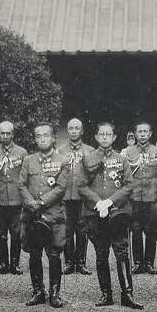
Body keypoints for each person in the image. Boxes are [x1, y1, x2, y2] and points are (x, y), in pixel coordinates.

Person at [80, 123, 143, 309]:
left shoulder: (121, 159)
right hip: (95, 213)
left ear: (114, 137)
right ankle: (106, 294)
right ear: (97, 137)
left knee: (122, 252)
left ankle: (127, 294)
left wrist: (110, 202)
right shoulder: (88, 159)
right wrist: (98, 202)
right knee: (101, 254)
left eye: (109, 134)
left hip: (117, 213)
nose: (105, 137)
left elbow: (128, 184)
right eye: (102, 134)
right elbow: (81, 185)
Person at [19, 123, 70, 308]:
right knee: (34, 254)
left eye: (46, 135)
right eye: (38, 136)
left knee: (54, 253)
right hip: (31, 215)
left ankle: (55, 293)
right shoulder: (28, 160)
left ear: (53, 138)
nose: (42, 139)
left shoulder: (63, 161)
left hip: (53, 215)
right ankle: (38, 292)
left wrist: (41, 202)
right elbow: (21, 185)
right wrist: (31, 203)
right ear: (35, 139)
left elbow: (61, 188)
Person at [0, 121, 27, 275]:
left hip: (17, 199)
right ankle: (3, 264)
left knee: (16, 233)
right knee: (1, 233)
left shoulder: (22, 153)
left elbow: (25, 177)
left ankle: (15, 264)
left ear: (12, 134)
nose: (5, 136)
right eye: (2, 133)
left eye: (7, 133)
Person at [122, 121, 157, 275]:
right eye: (140, 132)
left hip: (152, 198)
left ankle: (149, 263)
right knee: (136, 230)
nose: (143, 134)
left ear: (150, 134)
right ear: (136, 133)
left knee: (151, 231)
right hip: (134, 198)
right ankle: (138, 263)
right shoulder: (128, 152)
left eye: (146, 131)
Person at [60, 118, 95, 275]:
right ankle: (68, 262)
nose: (74, 131)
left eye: (77, 128)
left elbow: (93, 176)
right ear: (67, 131)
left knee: (82, 230)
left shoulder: (90, 151)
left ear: (81, 131)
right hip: (66, 196)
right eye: (71, 128)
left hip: (83, 198)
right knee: (67, 230)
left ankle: (81, 262)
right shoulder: (60, 151)